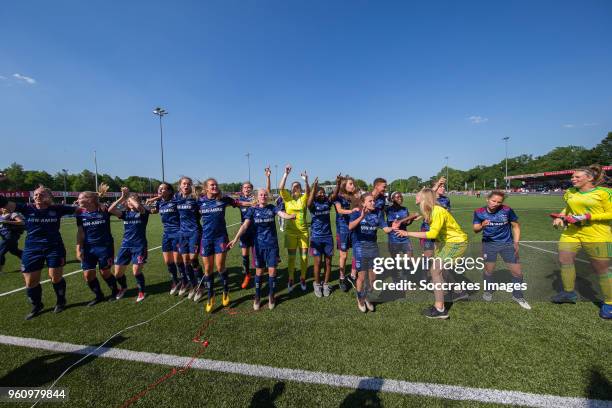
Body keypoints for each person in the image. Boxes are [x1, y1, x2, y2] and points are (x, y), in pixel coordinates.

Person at [1, 185, 76, 319]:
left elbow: (83, 209)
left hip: (54, 247)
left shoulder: (58, 209)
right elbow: (3, 202)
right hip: (32, 249)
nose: (37, 196)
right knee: (30, 282)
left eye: (41, 194)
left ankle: (61, 301)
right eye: (35, 194)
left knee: (55, 277)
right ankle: (37, 305)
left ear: (49, 197)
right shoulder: (26, 208)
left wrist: (97, 203)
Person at [394, 188, 468, 319]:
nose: (415, 197)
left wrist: (407, 233)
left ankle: (440, 308)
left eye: (417, 195)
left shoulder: (437, 211)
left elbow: (432, 234)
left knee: (435, 270)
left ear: (423, 198)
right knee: (440, 270)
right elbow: (417, 215)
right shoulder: (431, 210)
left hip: (455, 243)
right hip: (446, 243)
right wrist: (401, 222)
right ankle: (458, 292)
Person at [550, 165, 611, 319]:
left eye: (577, 177)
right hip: (572, 233)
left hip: (598, 235)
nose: (573, 179)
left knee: (602, 270)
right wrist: (560, 217)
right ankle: (569, 293)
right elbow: (568, 209)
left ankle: (609, 303)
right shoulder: (570, 192)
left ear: (589, 178)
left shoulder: (605, 192)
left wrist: (587, 217)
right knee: (564, 261)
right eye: (572, 177)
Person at [228, 188, 295, 310]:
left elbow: (281, 213)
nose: (263, 196)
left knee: (272, 272)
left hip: (272, 246)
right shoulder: (252, 210)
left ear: (268, 197)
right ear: (257, 197)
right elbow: (244, 226)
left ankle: (271, 296)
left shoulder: (272, 208)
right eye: (261, 195)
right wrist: (235, 239)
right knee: (259, 272)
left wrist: (289, 216)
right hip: (258, 246)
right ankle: (257, 296)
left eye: (265, 195)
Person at [198, 178, 250, 313]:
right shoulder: (200, 201)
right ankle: (211, 294)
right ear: (206, 188)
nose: (214, 187)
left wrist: (252, 203)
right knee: (208, 269)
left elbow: (239, 203)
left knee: (220, 266)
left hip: (220, 238)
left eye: (215, 185)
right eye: (211, 185)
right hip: (206, 238)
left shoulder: (223, 199)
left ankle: (225, 290)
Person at [473, 190, 531, 310]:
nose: (495, 203)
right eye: (493, 200)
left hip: (507, 244)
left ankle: (517, 295)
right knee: (489, 270)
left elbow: (516, 226)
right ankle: (488, 290)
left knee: (517, 272)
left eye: (499, 202)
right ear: (487, 199)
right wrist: (482, 225)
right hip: (489, 245)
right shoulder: (479, 212)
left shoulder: (507, 210)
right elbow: (475, 229)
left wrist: (516, 242)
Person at [75, 184, 121, 305]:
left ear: (89, 199)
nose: (78, 201)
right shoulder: (80, 213)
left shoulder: (104, 209)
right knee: (88, 275)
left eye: (80, 198)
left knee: (104, 272)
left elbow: (117, 211)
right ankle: (98, 295)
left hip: (105, 247)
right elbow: (80, 232)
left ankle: (115, 290)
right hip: (88, 248)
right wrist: (78, 248)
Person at [349, 193, 393, 312]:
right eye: (370, 201)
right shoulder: (356, 212)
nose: (373, 203)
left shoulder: (378, 213)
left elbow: (385, 229)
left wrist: (393, 227)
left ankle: (367, 296)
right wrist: (361, 217)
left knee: (373, 278)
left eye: (373, 201)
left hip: (373, 248)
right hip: (360, 248)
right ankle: (360, 299)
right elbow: (350, 227)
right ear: (363, 203)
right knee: (362, 277)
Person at [109, 187, 150, 303]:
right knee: (117, 274)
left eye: (133, 199)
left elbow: (137, 207)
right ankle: (123, 287)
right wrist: (122, 197)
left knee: (136, 271)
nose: (130, 202)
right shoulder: (125, 214)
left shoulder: (143, 212)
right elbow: (111, 209)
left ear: (138, 200)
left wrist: (129, 197)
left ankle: (141, 291)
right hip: (125, 246)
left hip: (139, 246)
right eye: (128, 201)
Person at [146, 183, 186, 295]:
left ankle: (184, 281)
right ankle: (175, 281)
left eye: (163, 189)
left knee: (178, 260)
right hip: (166, 234)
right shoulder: (160, 202)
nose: (160, 190)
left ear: (169, 191)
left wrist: (155, 197)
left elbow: (181, 194)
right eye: (159, 189)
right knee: (168, 261)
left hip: (178, 233)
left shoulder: (176, 200)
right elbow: (154, 211)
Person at [237, 168, 271, 290]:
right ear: (242, 189)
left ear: (251, 189)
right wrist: (251, 204)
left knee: (256, 255)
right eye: (245, 187)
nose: (247, 189)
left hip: (256, 231)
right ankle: (247, 275)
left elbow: (266, 191)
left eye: (249, 187)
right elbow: (238, 203)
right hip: (244, 231)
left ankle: (258, 273)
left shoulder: (256, 199)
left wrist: (267, 177)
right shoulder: (239, 200)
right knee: (244, 255)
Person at [278, 165, 310, 292]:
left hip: (303, 233)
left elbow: (309, 191)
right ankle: (291, 278)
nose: (296, 188)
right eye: (294, 187)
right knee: (291, 258)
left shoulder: (303, 198)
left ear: (300, 189)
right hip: (290, 233)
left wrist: (306, 181)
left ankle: (302, 278)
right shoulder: (287, 199)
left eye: (298, 186)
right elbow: (281, 187)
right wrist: (286, 174)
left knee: (304, 257)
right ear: (291, 190)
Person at [307, 177, 337, 297]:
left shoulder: (327, 203)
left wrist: (338, 183)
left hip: (328, 237)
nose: (322, 194)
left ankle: (325, 284)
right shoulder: (312, 205)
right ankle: (317, 284)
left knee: (328, 262)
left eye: (323, 193)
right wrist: (314, 187)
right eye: (320, 192)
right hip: (316, 237)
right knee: (318, 262)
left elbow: (334, 195)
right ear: (315, 194)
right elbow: (308, 202)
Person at [174, 177, 204, 299]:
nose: (186, 186)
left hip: (195, 232)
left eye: (188, 184)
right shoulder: (176, 198)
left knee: (193, 260)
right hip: (182, 233)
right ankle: (193, 285)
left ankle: (201, 286)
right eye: (184, 184)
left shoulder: (195, 199)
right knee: (185, 260)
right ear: (180, 186)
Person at [334, 175, 360, 291]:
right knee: (343, 255)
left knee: (356, 253)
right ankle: (341, 277)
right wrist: (351, 210)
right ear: (344, 185)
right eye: (351, 184)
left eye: (353, 184)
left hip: (355, 228)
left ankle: (353, 276)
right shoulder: (338, 197)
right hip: (343, 230)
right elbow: (339, 210)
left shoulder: (354, 197)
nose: (353, 186)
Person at [0, 206, 24, 273]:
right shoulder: (1, 215)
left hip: (11, 235)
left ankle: (0, 270)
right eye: (2, 207)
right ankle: (27, 260)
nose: (3, 208)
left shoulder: (13, 214)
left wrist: (7, 221)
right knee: (14, 251)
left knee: (0, 252)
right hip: (5, 236)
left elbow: (21, 222)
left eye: (4, 207)